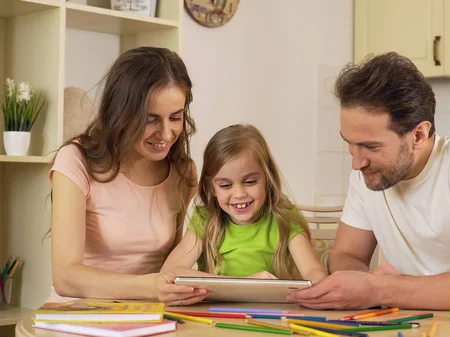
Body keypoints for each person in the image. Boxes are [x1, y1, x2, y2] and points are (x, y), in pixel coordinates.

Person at [286, 52, 450, 337]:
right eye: (350, 145)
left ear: (418, 135)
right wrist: (366, 284)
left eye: (371, 147)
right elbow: (346, 254)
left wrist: (380, 289)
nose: (356, 162)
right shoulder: (366, 176)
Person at [49, 47, 207, 306]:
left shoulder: (182, 171)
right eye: (150, 119)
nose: (166, 133)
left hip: (148, 314)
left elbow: (174, 264)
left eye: (175, 117)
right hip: (78, 314)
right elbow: (66, 277)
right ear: (121, 113)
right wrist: (151, 286)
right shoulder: (76, 160)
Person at [161, 124, 328, 284]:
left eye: (250, 182)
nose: (239, 194)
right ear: (211, 187)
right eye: (225, 185)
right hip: (215, 313)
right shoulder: (205, 219)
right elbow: (170, 271)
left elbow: (314, 273)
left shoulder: (285, 218)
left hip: (272, 312)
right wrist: (243, 283)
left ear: (267, 179)